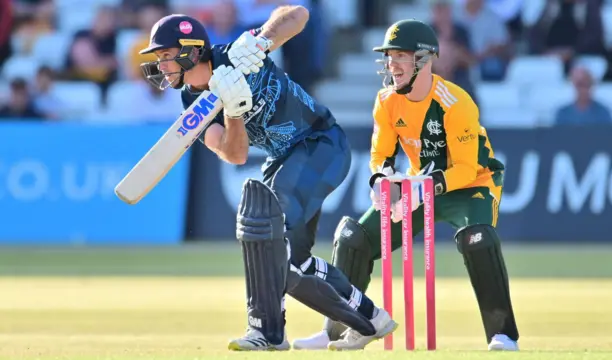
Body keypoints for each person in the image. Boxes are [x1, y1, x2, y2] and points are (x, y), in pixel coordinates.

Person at [137, 8, 397, 351]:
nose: (162, 66)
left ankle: (266, 332)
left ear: (192, 50)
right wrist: (233, 112)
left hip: (320, 142)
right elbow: (235, 155)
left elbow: (299, 14)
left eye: (167, 56)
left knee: (268, 235)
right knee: (294, 260)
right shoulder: (192, 105)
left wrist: (261, 42)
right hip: (282, 159)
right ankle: (372, 318)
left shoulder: (234, 54)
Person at [294, 19, 521, 351]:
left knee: (478, 238)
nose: (392, 64)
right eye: (389, 56)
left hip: (473, 185)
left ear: (424, 60)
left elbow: (465, 167)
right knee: (353, 237)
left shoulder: (455, 102)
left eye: (401, 55)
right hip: (420, 187)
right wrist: (382, 180)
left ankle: (503, 334)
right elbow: (380, 155)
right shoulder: (387, 101)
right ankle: (338, 331)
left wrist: (419, 186)